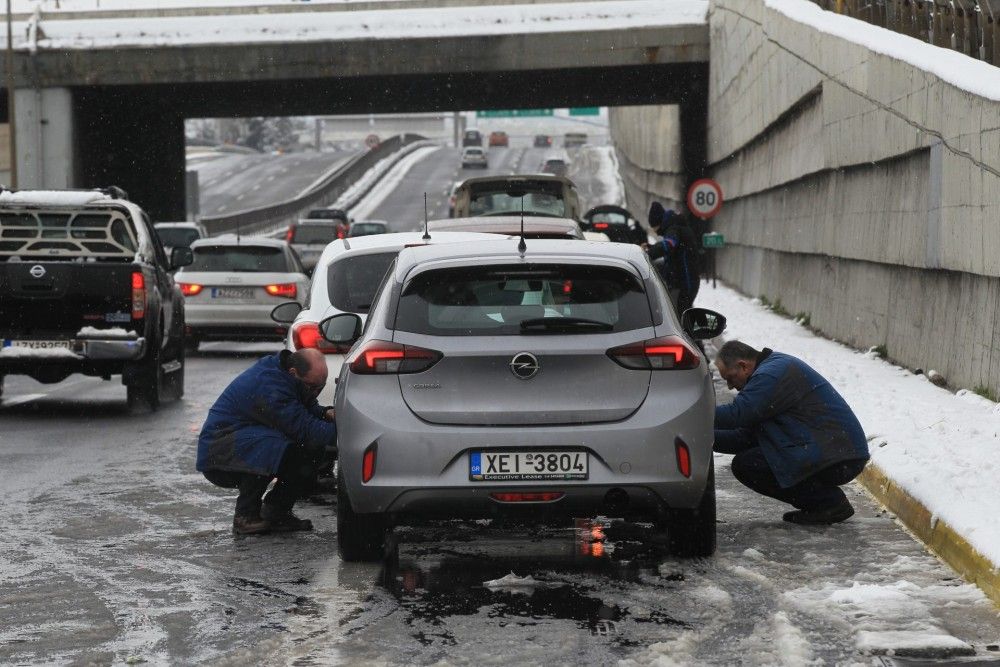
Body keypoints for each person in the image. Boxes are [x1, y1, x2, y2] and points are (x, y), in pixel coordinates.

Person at [713, 341, 870, 525]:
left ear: (743, 366)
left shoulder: (771, 373)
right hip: (832, 450)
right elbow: (745, 438)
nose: (730, 386)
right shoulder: (770, 371)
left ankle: (829, 503)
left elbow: (737, 413)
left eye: (730, 378)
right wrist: (700, 438)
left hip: (839, 454)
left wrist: (692, 413)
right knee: (750, 460)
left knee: (749, 465)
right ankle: (825, 502)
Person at [197, 348, 337, 535]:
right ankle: (245, 516)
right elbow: (304, 428)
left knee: (306, 451)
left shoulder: (286, 376)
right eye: (313, 388)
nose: (316, 393)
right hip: (220, 452)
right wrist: (349, 432)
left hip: (238, 443)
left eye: (321, 387)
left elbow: (304, 404)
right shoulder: (270, 385)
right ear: (294, 373)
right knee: (275, 448)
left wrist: (324, 413)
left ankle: (276, 512)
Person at [644, 202, 701, 313]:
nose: (655, 232)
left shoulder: (673, 229)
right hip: (686, 282)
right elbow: (674, 249)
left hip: (685, 283)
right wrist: (652, 247)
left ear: (658, 222)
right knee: (683, 315)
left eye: (654, 227)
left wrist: (649, 253)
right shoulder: (676, 226)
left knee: (681, 316)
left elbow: (669, 244)